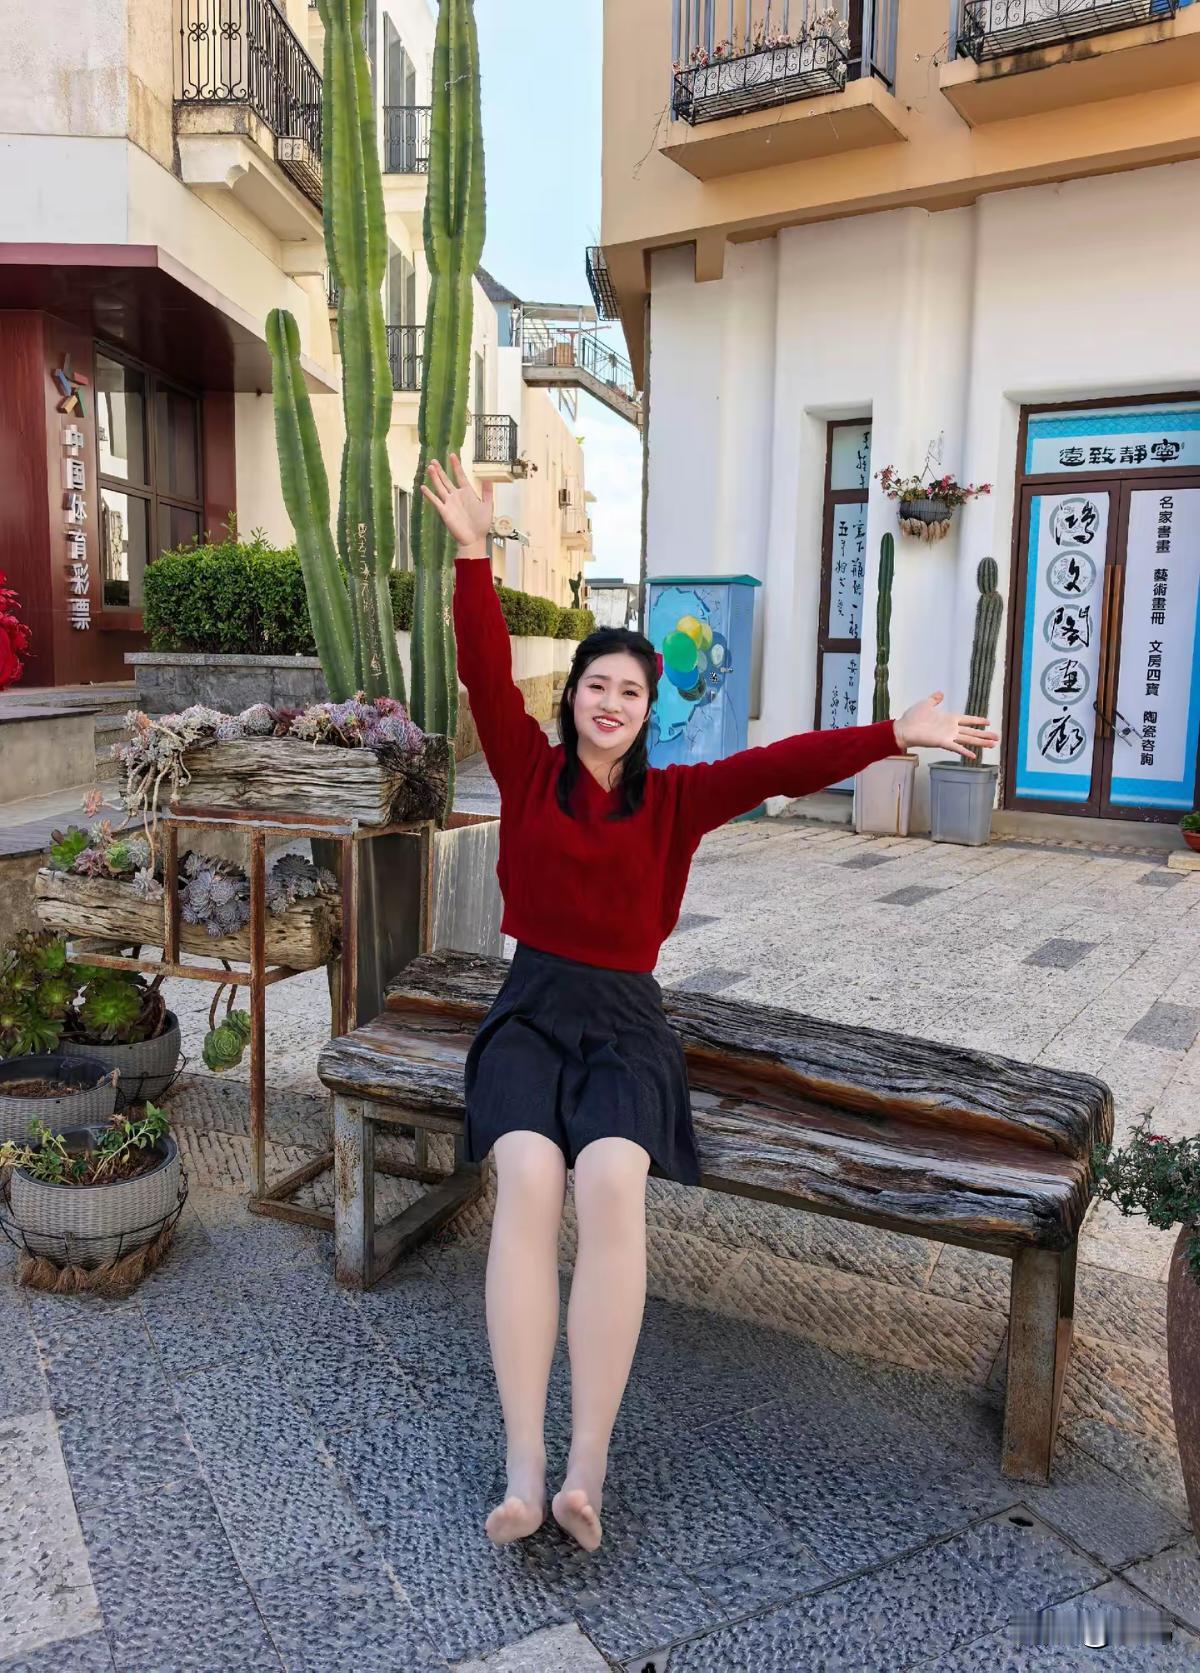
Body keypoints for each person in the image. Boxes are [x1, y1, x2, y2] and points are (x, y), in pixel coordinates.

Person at [420, 455, 1000, 1554]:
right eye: (597, 684)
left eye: (631, 692)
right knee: (528, 1179)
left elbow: (781, 762)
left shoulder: (678, 801)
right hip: (530, 1007)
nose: (610, 702)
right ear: (572, 696)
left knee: (612, 1183)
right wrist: (473, 553)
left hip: (627, 1027)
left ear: (650, 712)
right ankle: (523, 1464)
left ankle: (587, 1467)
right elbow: (482, 665)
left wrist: (894, 733)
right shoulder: (526, 769)